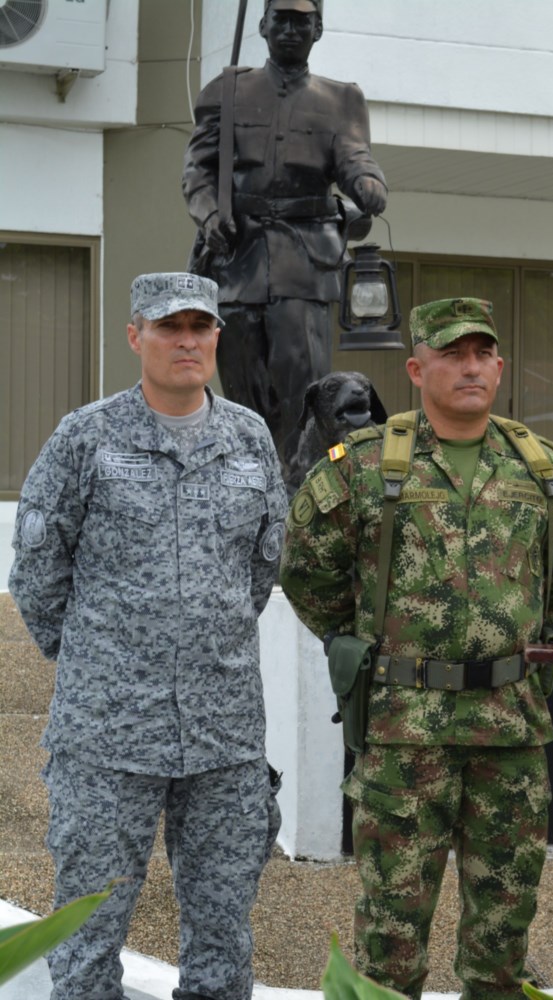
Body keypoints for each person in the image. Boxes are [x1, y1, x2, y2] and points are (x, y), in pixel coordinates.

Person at [280, 297, 553, 1000]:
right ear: (417, 369)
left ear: (500, 367)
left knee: (502, 943)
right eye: (451, 354)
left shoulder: (543, 472)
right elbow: (307, 572)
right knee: (389, 942)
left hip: (510, 731)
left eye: (482, 354)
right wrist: (367, 650)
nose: (469, 368)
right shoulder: (362, 467)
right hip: (403, 734)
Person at [9, 272, 286, 1000]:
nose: (186, 341)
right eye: (169, 327)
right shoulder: (87, 437)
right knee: (88, 933)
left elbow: (261, 566)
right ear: (135, 336)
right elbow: (37, 566)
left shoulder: (249, 438)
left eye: (200, 327)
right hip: (106, 737)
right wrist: (97, 662)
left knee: (224, 937)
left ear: (217, 337)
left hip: (223, 735)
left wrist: (202, 645)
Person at [182, 0, 387, 468]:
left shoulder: (341, 99)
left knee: (304, 392)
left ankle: (304, 485)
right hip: (238, 258)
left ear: (318, 29)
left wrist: (367, 184)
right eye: (282, 19)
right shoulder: (226, 90)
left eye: (302, 21)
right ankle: (245, 478)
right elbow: (198, 169)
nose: (291, 30)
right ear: (263, 25)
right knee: (241, 390)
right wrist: (211, 215)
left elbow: (354, 155)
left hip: (304, 262)